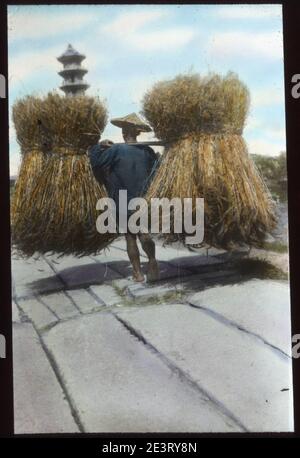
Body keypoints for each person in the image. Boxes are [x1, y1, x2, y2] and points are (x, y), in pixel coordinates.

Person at [89, 113, 160, 283]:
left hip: (122, 199)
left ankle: (137, 273)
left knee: (130, 236)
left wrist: (98, 147)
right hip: (143, 199)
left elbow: (96, 164)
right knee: (144, 231)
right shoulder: (147, 151)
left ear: (127, 132)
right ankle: (152, 261)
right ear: (137, 133)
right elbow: (156, 171)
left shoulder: (115, 150)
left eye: (124, 130)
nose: (122, 133)